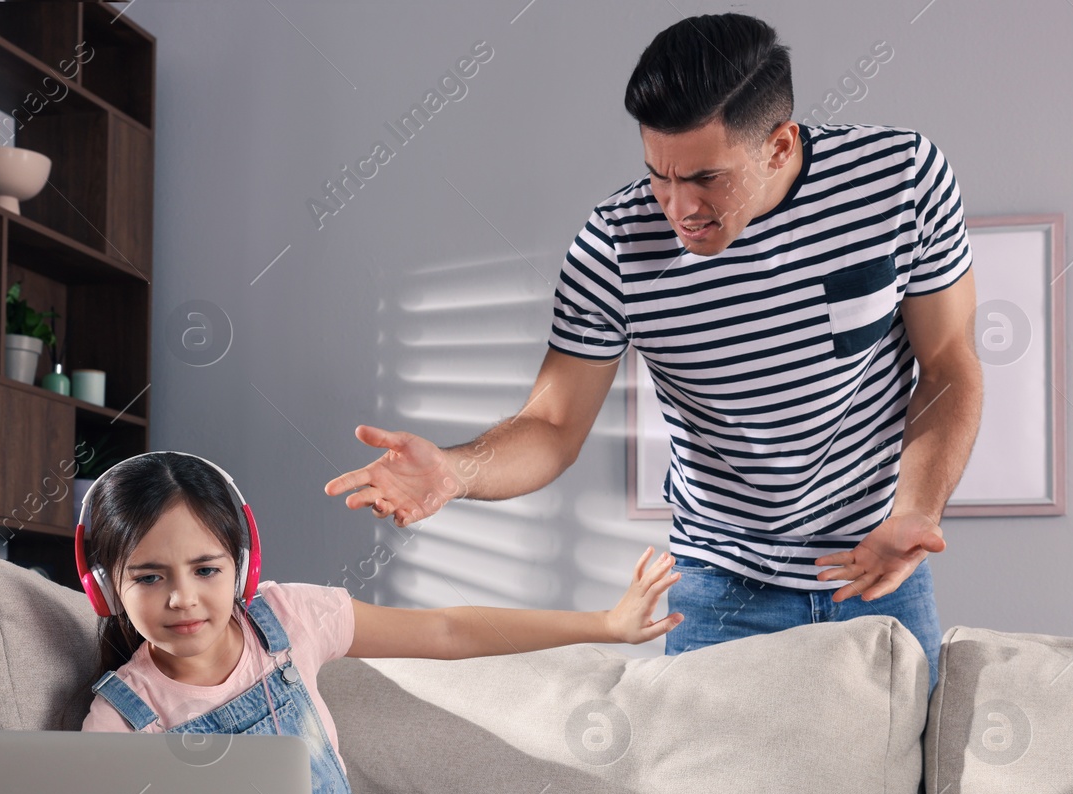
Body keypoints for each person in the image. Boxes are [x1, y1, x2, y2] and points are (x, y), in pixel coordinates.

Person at [324, 13, 980, 695]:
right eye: (658, 177)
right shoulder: (614, 244)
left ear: (780, 145)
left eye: (705, 179)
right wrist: (457, 472)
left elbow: (950, 366)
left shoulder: (900, 180)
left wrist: (917, 509)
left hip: (876, 571)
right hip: (719, 591)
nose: (677, 207)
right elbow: (551, 427)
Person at [78, 452, 684, 794]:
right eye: (150, 577)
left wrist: (605, 623)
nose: (183, 598)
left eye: (205, 570)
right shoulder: (122, 715)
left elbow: (448, 631)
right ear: (105, 587)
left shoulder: (288, 620)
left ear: (241, 566)